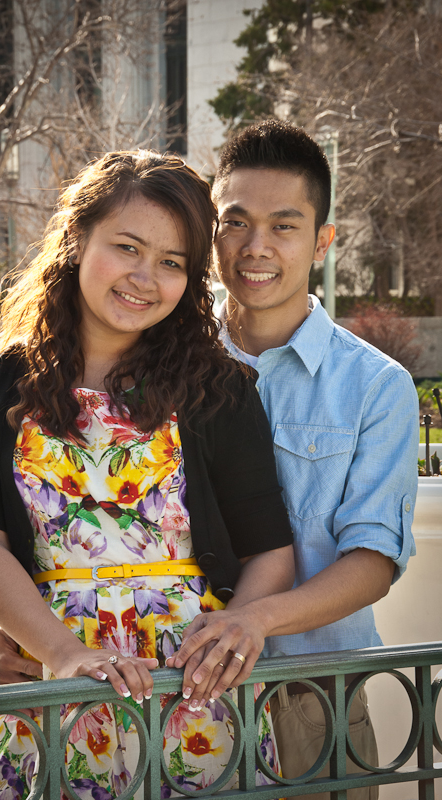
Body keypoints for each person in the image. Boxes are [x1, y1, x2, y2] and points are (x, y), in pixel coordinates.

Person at [0, 150, 295, 799]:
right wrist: (61, 652)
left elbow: (269, 548)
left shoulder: (219, 388)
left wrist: (236, 629)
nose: (144, 278)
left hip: (194, 693)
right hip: (54, 683)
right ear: (77, 239)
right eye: (127, 247)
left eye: (171, 262)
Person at [163, 120, 419, 800]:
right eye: (235, 222)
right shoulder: (159, 367)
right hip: (172, 693)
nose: (256, 247)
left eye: (284, 226)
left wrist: (256, 619)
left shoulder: (375, 386)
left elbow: (373, 561)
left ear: (322, 241)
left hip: (312, 699)